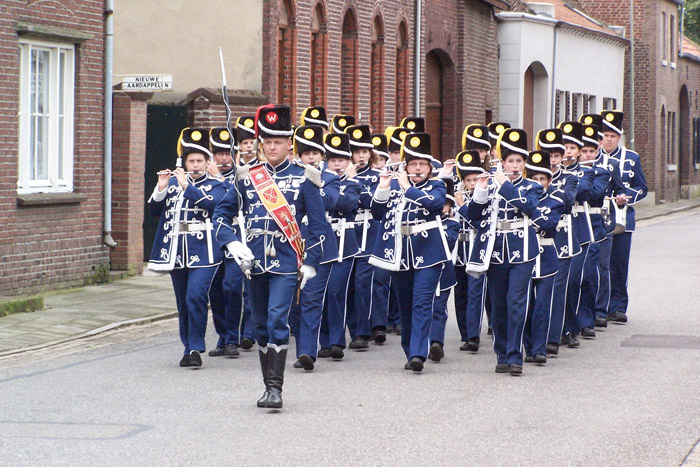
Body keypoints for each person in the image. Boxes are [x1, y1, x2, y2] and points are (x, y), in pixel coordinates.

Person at [213, 104, 326, 409]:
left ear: (289, 144)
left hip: (288, 261)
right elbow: (221, 216)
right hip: (253, 262)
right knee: (261, 325)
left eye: (278, 141)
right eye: (268, 141)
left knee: (278, 319)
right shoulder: (247, 176)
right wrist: (232, 244)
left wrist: (312, 263)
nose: (272, 147)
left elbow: (319, 228)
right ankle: (267, 386)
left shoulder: (306, 177)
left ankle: (275, 389)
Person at [461, 128, 542, 376]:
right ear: (502, 162)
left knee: (516, 302)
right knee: (498, 305)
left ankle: (515, 355)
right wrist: (482, 190)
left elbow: (529, 206)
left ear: (525, 163)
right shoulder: (491, 185)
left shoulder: (531, 186)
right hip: (495, 251)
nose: (515, 166)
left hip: (523, 250)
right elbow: (470, 215)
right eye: (510, 161)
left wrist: (504, 185)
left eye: (519, 161)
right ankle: (502, 353)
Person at [148, 127, 227, 368]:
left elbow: (212, 205)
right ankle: (188, 347)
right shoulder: (172, 183)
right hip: (176, 250)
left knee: (196, 296)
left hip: (205, 251)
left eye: (199, 161)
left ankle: (196, 346)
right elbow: (153, 211)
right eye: (190, 161)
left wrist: (186, 186)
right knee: (183, 301)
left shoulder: (216, 185)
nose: (194, 165)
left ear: (207, 162)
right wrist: (162, 187)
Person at [369, 132, 448, 372]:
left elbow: (434, 204)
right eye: (413, 164)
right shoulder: (393, 185)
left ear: (429, 167)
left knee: (422, 301)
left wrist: (406, 187)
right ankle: (410, 349)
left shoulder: (438, 185)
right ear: (405, 166)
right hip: (400, 251)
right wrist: (383, 187)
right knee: (406, 304)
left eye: (422, 164)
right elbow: (377, 213)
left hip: (430, 250)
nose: (417, 169)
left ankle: (417, 354)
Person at [288, 125, 340, 371]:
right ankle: (301, 344)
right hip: (291, 244)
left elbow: (330, 201)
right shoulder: (291, 177)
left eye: (315, 153)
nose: (310, 157)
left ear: (322, 156)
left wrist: (314, 184)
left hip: (320, 246)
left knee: (311, 298)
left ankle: (307, 351)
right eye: (305, 153)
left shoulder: (330, 178)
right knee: (292, 304)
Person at [598, 110, 647, 324]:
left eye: (612, 136)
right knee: (599, 265)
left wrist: (628, 197)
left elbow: (642, 188)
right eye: (604, 135)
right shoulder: (592, 157)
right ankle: (598, 306)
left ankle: (617, 307)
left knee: (618, 264)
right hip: (597, 220)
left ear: (619, 137)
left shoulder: (631, 158)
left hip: (622, 220)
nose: (608, 140)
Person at [535, 128, 580, 356]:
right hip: (539, 239)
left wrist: (547, 191)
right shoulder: (533, 177)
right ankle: (538, 337)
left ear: (563, 155)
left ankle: (554, 337)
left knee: (558, 289)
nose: (552, 160)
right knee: (539, 291)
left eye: (555, 155)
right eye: (548, 155)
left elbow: (569, 199)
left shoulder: (571, 177)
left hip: (563, 237)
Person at [318, 133, 362, 360]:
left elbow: (347, 203)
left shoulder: (354, 183)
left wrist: (333, 197)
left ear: (349, 162)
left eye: (342, 160)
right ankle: (324, 341)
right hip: (324, 241)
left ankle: (337, 340)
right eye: (333, 160)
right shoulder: (320, 179)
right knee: (321, 292)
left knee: (336, 291)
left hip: (345, 242)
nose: (337, 164)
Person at [523, 150, 563, 365]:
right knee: (526, 305)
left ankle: (540, 348)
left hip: (546, 257)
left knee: (542, 305)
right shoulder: (521, 199)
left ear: (549, 181)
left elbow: (548, 224)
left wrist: (529, 210)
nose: (538, 183)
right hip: (525, 255)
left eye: (542, 179)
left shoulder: (555, 201)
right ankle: (528, 347)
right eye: (534, 179)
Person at [206, 127, 243, 358]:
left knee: (232, 287)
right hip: (209, 242)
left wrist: (219, 179)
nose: (224, 158)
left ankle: (233, 338)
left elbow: (236, 199)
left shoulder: (241, 176)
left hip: (235, 238)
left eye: (228, 153)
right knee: (215, 291)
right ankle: (222, 336)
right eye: (219, 153)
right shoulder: (199, 176)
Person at [345, 124, 382, 350]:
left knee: (363, 282)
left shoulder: (377, 176)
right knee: (347, 283)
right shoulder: (342, 175)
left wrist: (355, 184)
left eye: (365, 151)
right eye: (357, 151)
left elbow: (372, 203)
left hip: (369, 231)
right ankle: (353, 328)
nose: (361, 156)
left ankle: (362, 331)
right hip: (348, 232)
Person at [559, 121, 594, 349]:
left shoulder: (586, 171)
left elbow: (581, 191)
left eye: (572, 148)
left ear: (579, 151)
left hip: (578, 228)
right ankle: (556, 328)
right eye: (564, 148)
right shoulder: (548, 170)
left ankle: (571, 327)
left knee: (573, 281)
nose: (567, 152)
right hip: (555, 229)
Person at [452, 150, 487, 352]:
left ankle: (474, 336)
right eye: (469, 180)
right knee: (461, 293)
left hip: (476, 248)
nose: (473, 183)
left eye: (475, 179)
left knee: (475, 293)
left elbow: (478, 222)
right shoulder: (457, 195)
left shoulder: (484, 197)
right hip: (460, 249)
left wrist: (463, 206)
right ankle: (465, 334)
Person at [428, 178, 459, 362]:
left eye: (445, 205)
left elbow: (447, 242)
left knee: (439, 308)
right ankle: (422, 343)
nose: (441, 208)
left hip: (443, 272)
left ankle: (436, 342)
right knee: (423, 307)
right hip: (423, 266)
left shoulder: (452, 224)